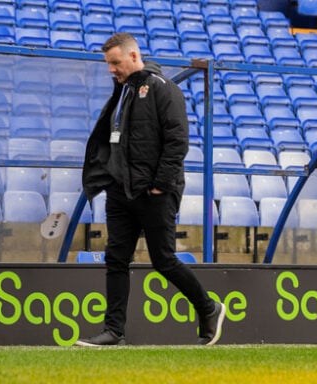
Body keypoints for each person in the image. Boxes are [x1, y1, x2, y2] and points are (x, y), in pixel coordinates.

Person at [75, 33, 226, 346]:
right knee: (116, 258)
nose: (111, 69)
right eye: (108, 64)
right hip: (121, 191)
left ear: (133, 56)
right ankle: (113, 331)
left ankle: (208, 308)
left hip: (154, 192)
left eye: (115, 63)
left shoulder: (162, 88)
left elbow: (177, 140)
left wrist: (160, 185)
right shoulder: (122, 93)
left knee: (164, 260)